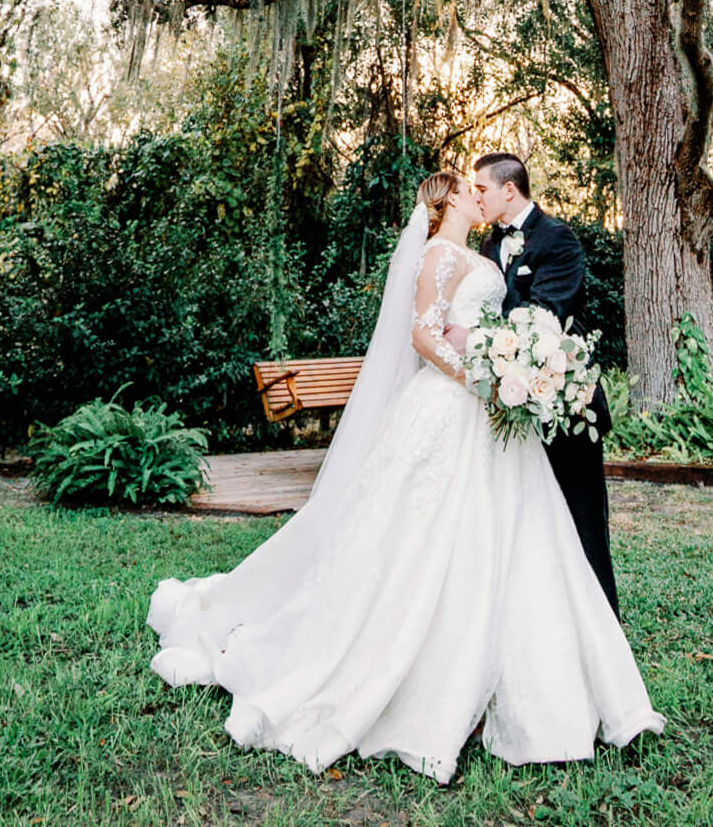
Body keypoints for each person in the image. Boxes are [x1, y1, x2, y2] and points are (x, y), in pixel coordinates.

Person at [148, 170, 663, 785]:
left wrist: (505, 366)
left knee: (525, 535)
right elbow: (423, 333)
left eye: (483, 187)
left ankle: (543, 677)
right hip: (457, 406)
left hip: (503, 413)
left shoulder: (499, 249)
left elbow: (514, 320)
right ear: (447, 203)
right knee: (428, 538)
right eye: (468, 190)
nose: (478, 195)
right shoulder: (439, 256)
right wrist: (481, 376)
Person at [469, 153, 620, 615]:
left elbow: (549, 313)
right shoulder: (488, 249)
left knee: (581, 516)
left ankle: (601, 619)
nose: (477, 197)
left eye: (482, 189)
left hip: (565, 398)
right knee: (529, 516)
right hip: (515, 402)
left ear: (508, 189)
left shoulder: (559, 239)